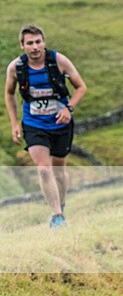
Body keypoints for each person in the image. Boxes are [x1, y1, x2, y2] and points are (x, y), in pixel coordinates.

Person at [4, 24, 87, 229]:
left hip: (60, 123)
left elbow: (81, 87)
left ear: (44, 42)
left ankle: (61, 204)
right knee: (43, 169)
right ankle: (57, 216)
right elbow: (9, 93)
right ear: (22, 45)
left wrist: (68, 108)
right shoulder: (16, 68)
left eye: (38, 42)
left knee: (59, 171)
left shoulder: (59, 61)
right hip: (34, 123)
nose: (35, 47)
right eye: (30, 43)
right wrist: (14, 123)